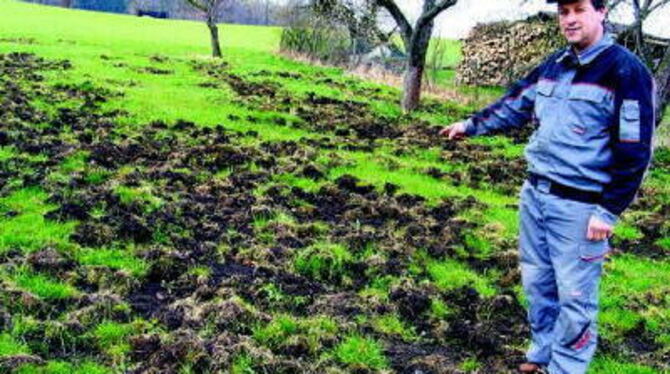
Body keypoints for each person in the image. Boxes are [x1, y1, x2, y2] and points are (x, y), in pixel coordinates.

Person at [439, 0, 657, 373]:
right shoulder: (556, 64)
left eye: (578, 10)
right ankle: (541, 355)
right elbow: (515, 104)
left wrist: (609, 210)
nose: (570, 20)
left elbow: (635, 150)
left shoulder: (625, 71)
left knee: (574, 294)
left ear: (601, 12)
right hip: (536, 194)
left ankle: (566, 367)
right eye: (563, 12)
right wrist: (471, 125)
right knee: (538, 282)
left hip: (581, 206)